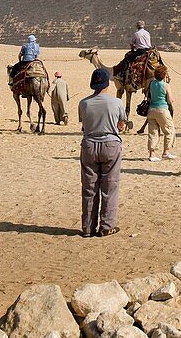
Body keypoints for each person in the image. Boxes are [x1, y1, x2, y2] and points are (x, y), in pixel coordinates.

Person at [78, 67, 126, 237]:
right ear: (108, 84)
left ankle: (87, 228)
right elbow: (121, 125)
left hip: (89, 145)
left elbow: (84, 125)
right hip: (111, 145)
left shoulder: (83, 103)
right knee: (110, 186)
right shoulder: (117, 102)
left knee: (89, 187)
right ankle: (106, 226)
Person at [145, 66, 176, 162]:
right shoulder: (166, 85)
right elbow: (170, 100)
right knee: (169, 130)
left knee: (153, 132)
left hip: (151, 110)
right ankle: (166, 151)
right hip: (162, 109)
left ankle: (152, 154)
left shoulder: (151, 83)